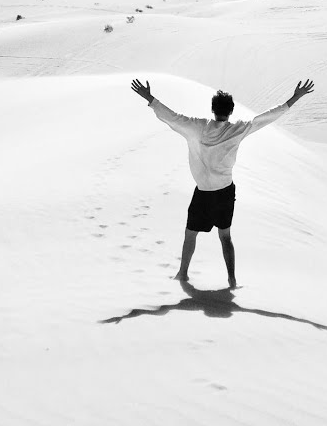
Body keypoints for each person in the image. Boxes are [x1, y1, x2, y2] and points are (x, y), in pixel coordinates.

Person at [129, 77, 315, 288]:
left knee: (191, 234)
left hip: (204, 192)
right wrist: (294, 98)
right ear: (231, 111)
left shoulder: (196, 127)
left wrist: (150, 98)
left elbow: (171, 117)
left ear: (213, 109)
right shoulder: (238, 129)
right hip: (225, 192)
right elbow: (265, 118)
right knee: (225, 236)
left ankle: (182, 273)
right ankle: (232, 280)